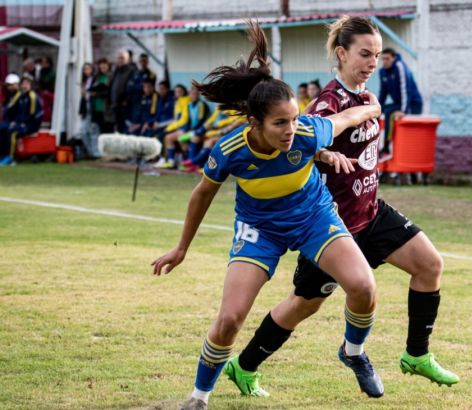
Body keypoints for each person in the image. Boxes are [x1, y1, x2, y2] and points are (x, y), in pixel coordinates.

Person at [225, 15, 459, 400]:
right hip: (331, 226)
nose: (372, 62)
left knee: (430, 265)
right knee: (303, 306)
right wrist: (324, 152)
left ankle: (415, 354)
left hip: (370, 211)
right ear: (341, 53)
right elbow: (297, 141)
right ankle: (244, 366)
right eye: (364, 54)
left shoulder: (367, 98)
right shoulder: (327, 102)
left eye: (377, 55)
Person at [151, 22, 383, 410]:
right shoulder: (231, 150)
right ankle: (198, 398)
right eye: (280, 123)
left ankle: (354, 352)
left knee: (364, 287)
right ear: (255, 123)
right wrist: (181, 248)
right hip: (260, 230)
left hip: (313, 217)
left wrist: (372, 108)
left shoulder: (307, 131)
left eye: (294, 119)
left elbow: (344, 120)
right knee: (229, 320)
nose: (291, 129)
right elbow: (201, 194)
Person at [378, 47, 423, 155]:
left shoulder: (399, 66)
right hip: (399, 103)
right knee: (378, 111)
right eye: (383, 59)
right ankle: (374, 143)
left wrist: (403, 110)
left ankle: (387, 146)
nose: (385, 61)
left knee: (389, 113)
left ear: (393, 58)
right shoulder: (382, 71)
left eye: (387, 59)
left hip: (412, 103)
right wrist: (377, 108)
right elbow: (383, 92)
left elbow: (405, 89)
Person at [155, 85, 210, 169]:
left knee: (188, 138)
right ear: (189, 94)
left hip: (199, 130)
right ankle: (172, 161)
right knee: (173, 138)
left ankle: (192, 162)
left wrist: (192, 131)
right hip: (191, 130)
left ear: (198, 94)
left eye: (195, 94)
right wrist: (187, 130)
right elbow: (187, 120)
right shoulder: (189, 105)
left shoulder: (201, 105)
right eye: (192, 94)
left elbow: (201, 121)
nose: (193, 95)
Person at [0, 75, 43, 166]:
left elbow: (32, 115)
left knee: (13, 132)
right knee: (4, 128)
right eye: (23, 84)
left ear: (31, 85)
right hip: (23, 123)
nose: (24, 86)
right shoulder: (23, 96)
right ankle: (3, 155)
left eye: (27, 84)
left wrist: (21, 124)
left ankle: (10, 158)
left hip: (31, 125)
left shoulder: (32, 96)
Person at [109, 49, 136, 133]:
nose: (120, 60)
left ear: (127, 60)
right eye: (119, 58)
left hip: (125, 106)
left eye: (122, 58)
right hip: (115, 105)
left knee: (125, 129)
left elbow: (132, 88)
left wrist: (126, 100)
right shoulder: (116, 70)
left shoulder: (131, 71)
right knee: (117, 128)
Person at [79, 62, 101, 158]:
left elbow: (98, 92)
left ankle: (96, 153)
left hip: (94, 107)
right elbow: (83, 97)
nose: (86, 71)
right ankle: (90, 151)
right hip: (86, 107)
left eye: (88, 69)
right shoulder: (84, 81)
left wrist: (93, 93)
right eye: (85, 69)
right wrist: (81, 109)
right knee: (83, 131)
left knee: (94, 130)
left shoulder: (95, 80)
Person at [0, 73, 21, 165]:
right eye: (9, 85)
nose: (10, 87)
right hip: (8, 121)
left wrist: (16, 121)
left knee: (8, 131)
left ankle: (10, 157)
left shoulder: (20, 96)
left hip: (16, 122)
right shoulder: (9, 96)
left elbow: (22, 112)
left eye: (12, 85)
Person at [89, 58, 113, 134]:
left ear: (108, 66)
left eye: (104, 67)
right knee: (98, 132)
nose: (103, 69)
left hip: (106, 109)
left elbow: (110, 92)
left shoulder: (111, 76)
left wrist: (97, 94)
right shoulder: (97, 77)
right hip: (96, 108)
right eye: (101, 67)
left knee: (106, 131)